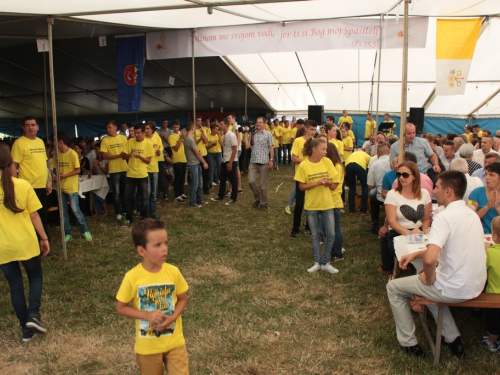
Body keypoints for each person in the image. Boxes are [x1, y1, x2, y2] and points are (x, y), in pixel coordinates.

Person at [387, 170, 486, 358]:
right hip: (475, 285)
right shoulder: (471, 214)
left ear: (448, 191)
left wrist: (429, 278)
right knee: (428, 282)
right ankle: (453, 339)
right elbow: (445, 247)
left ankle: (408, 342)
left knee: (394, 287)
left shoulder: (444, 217)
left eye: (437, 187)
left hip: (454, 288)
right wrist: (417, 254)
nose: (434, 191)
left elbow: (431, 259)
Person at [116, 219, 189, 375]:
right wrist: (146, 315)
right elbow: (121, 307)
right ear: (142, 251)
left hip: (174, 343)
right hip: (147, 348)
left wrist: (173, 318)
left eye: (165, 243)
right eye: (157, 245)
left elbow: (182, 299)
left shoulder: (173, 272)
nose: (164, 249)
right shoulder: (132, 277)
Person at [0, 144, 50, 342]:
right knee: (35, 277)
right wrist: (44, 238)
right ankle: (33, 314)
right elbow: (35, 215)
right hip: (26, 243)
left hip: (3, 246)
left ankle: (25, 329)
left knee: (15, 286)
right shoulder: (22, 185)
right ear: (10, 162)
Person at [295, 137, 339, 274]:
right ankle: (317, 261)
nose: (326, 152)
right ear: (314, 150)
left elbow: (332, 183)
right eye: (323, 149)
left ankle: (325, 262)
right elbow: (301, 187)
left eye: (326, 149)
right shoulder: (304, 165)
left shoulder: (327, 162)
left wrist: (326, 182)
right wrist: (316, 183)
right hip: (312, 205)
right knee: (315, 235)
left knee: (331, 234)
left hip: (327, 203)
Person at [378, 161, 431, 276]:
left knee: (431, 251)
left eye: (405, 175)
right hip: (398, 232)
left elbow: (426, 218)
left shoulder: (425, 194)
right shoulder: (392, 194)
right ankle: (414, 270)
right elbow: (392, 221)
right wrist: (410, 233)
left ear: (414, 177)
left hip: (419, 231)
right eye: (398, 175)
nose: (401, 178)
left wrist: (423, 233)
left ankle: (419, 271)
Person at [10, 116, 52, 237]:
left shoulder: (40, 141)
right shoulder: (19, 143)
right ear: (23, 128)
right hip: (27, 186)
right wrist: (16, 184)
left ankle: (43, 240)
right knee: (31, 216)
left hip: (41, 185)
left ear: (38, 127)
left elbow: (44, 164)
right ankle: (34, 242)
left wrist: (48, 182)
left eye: (33, 125)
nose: (30, 127)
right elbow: (13, 165)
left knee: (42, 214)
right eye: (27, 125)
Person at [51, 131, 92, 242]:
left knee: (75, 210)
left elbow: (78, 170)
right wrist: (57, 173)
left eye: (54, 142)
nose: (52, 145)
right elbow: (54, 167)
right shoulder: (57, 154)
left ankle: (85, 231)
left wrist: (64, 175)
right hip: (60, 187)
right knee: (63, 212)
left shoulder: (72, 154)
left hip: (71, 187)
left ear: (60, 142)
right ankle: (68, 233)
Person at [289, 120, 317, 239]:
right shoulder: (298, 141)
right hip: (301, 176)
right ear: (305, 129)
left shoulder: (315, 142)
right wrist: (307, 162)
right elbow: (294, 159)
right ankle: (295, 229)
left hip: (313, 176)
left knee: (311, 203)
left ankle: (309, 226)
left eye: (315, 130)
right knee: (299, 203)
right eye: (311, 129)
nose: (313, 132)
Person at [123, 123, 154, 226]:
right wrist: (129, 155)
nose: (136, 135)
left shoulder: (148, 144)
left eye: (138, 133)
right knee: (127, 197)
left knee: (144, 198)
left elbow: (148, 161)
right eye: (134, 132)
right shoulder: (130, 142)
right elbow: (123, 156)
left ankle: (144, 217)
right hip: (130, 175)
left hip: (142, 175)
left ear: (144, 133)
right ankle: (129, 218)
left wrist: (139, 156)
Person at [100, 120, 129, 222]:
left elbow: (127, 153)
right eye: (107, 128)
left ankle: (125, 211)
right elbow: (104, 155)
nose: (108, 130)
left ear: (115, 127)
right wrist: (118, 156)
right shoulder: (105, 140)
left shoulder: (123, 138)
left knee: (125, 192)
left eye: (110, 127)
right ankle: (118, 213)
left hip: (125, 168)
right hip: (114, 170)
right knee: (116, 193)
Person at [245, 117, 274, 210]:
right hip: (253, 161)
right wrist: (246, 134)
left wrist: (271, 160)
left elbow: (271, 148)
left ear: (265, 124)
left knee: (263, 185)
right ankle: (258, 198)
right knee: (250, 181)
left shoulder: (268, 134)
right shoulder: (253, 134)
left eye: (260, 122)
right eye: (257, 122)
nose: (258, 124)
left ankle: (264, 203)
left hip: (264, 162)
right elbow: (247, 146)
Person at [483, 216, 500, 352]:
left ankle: (492, 342)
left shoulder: (490, 253)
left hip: (494, 295)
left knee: (494, 323)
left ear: (495, 236)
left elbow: (482, 271)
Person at [211, 118, 238, 205]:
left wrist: (230, 162)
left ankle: (234, 198)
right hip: (225, 159)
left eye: (221, 125)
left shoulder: (231, 135)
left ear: (226, 125)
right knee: (222, 178)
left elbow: (234, 150)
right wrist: (223, 159)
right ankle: (220, 195)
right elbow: (225, 147)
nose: (220, 126)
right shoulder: (224, 134)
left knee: (232, 180)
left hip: (231, 160)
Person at [326, 142, 345, 262]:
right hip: (329, 200)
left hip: (334, 200)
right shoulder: (332, 165)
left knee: (336, 228)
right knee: (330, 228)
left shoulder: (337, 167)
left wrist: (322, 181)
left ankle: (338, 253)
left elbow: (333, 186)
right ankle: (334, 249)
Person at [184, 122, 209, 208]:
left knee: (199, 183)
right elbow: (197, 153)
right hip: (193, 164)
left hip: (196, 163)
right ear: (192, 128)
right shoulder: (189, 140)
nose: (195, 129)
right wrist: (204, 162)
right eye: (194, 128)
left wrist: (199, 153)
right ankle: (193, 202)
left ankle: (200, 199)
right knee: (195, 184)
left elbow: (196, 152)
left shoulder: (189, 139)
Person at [470, 162, 500, 234]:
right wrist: (487, 206)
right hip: (482, 235)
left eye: (491, 175)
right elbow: (471, 219)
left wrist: (497, 207)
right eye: (486, 174)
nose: (487, 178)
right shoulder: (477, 192)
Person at [367, 143, 391, 233]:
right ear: (389, 152)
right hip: (393, 194)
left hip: (381, 195)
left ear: (377, 153)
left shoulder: (374, 164)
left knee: (372, 195)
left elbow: (370, 185)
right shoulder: (394, 163)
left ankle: (375, 223)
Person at [144, 121, 163, 219]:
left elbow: (160, 149)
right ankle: (145, 213)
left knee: (154, 192)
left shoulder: (157, 138)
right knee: (147, 192)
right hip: (145, 169)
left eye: (148, 129)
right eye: (145, 128)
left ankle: (153, 212)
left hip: (154, 168)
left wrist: (159, 152)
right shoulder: (143, 139)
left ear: (152, 130)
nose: (146, 130)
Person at [345, 150, 371, 215]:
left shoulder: (354, 154)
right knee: (365, 187)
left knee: (352, 187)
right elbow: (371, 167)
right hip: (360, 165)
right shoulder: (368, 156)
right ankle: (363, 210)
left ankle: (351, 210)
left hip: (348, 164)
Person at [168, 120, 187, 203]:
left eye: (177, 127)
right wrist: (181, 139)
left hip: (183, 158)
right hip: (177, 159)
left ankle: (182, 193)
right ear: (172, 127)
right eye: (174, 127)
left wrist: (183, 137)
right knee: (178, 178)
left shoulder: (180, 134)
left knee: (182, 177)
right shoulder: (171, 137)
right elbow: (175, 148)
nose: (176, 129)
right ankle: (177, 195)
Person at [195, 116, 210, 195]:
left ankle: (206, 189)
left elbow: (206, 141)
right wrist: (200, 138)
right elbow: (193, 144)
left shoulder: (202, 130)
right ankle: (198, 189)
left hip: (204, 153)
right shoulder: (193, 131)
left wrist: (203, 133)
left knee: (205, 173)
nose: (200, 122)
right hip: (196, 155)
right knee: (197, 174)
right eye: (198, 120)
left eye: (200, 121)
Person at [157, 119, 172, 201]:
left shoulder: (169, 131)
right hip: (157, 157)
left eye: (166, 122)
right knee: (159, 175)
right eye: (163, 122)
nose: (164, 124)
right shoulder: (157, 132)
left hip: (165, 152)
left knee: (165, 172)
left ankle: (166, 191)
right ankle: (160, 192)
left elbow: (170, 142)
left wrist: (164, 138)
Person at [206, 122, 222, 187]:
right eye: (216, 129)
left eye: (218, 129)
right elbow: (206, 147)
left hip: (218, 153)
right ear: (212, 129)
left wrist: (219, 135)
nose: (217, 131)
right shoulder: (208, 137)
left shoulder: (219, 135)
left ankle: (217, 179)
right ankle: (211, 181)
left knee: (219, 167)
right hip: (211, 154)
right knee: (212, 168)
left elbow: (222, 144)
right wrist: (212, 145)